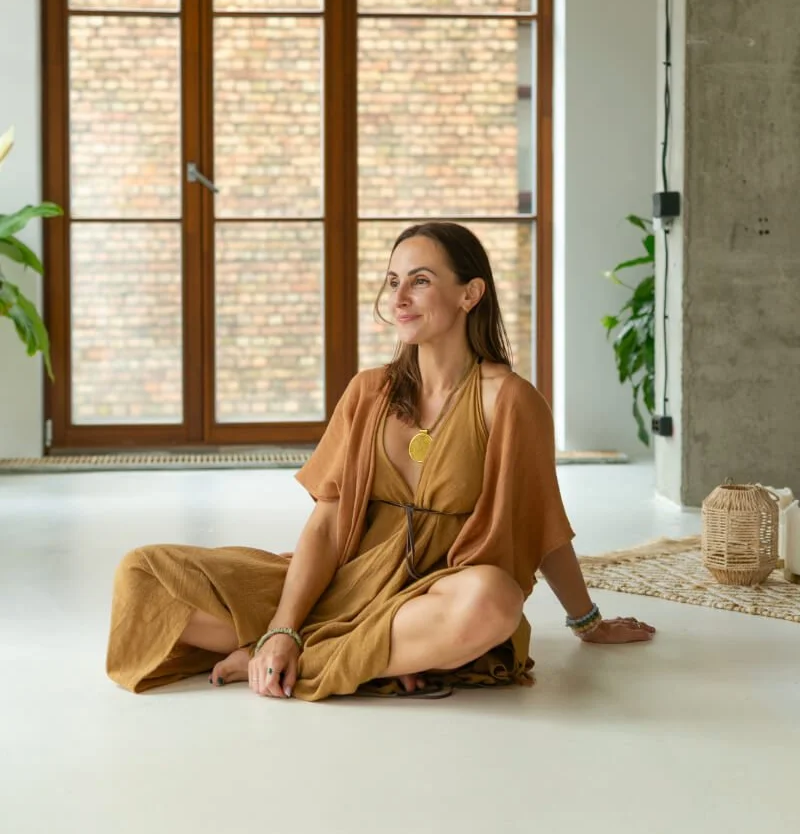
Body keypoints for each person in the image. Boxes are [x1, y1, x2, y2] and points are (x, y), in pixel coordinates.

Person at [107, 221, 654, 702]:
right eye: (393, 282)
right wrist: (282, 624)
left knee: (492, 600)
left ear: (471, 294)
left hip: (431, 596)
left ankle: (310, 660)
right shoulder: (369, 392)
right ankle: (339, 653)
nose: (400, 298)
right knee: (143, 576)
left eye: (420, 280)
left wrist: (587, 621)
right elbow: (325, 523)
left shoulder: (509, 400)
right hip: (344, 585)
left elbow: (544, 527)